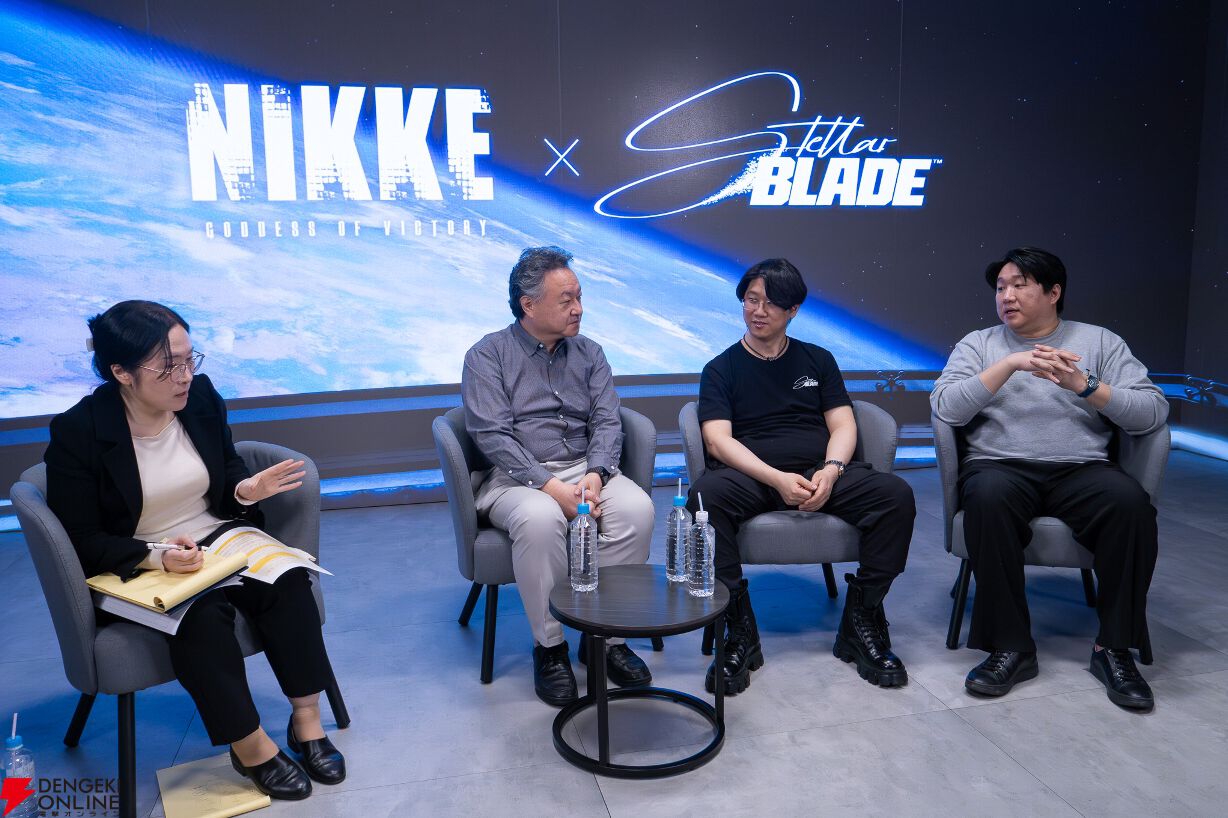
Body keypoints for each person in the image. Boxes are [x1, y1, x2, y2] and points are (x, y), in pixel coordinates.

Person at [44, 301, 345, 800]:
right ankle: (250, 745)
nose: (185, 377)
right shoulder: (79, 432)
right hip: (138, 559)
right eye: (168, 367)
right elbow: (81, 538)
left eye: (189, 360)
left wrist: (245, 491)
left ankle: (307, 721)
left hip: (218, 535)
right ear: (122, 373)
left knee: (289, 580)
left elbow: (225, 474)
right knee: (201, 617)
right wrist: (156, 555)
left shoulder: (200, 397)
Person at [931, 247, 1168, 710]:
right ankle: (1011, 647)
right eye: (1001, 288)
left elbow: (1151, 413)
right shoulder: (978, 345)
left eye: (1019, 285)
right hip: (998, 464)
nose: (1006, 296)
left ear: (1053, 292)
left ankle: (1114, 649)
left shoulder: (1100, 341)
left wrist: (1085, 385)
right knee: (987, 498)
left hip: (1082, 467)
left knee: (1130, 505)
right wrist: (1008, 365)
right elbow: (946, 408)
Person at [688, 258, 916, 696]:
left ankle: (862, 618)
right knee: (705, 498)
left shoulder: (818, 359)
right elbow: (717, 441)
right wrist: (776, 478)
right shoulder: (721, 368)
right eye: (750, 300)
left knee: (895, 495)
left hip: (818, 471)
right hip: (752, 474)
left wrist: (831, 472)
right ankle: (738, 630)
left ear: (793, 310)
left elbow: (844, 424)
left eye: (771, 303)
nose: (758, 311)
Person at [462, 246, 656, 706]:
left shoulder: (590, 352)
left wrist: (597, 472)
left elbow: (607, 419)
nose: (579, 309)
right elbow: (492, 436)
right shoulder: (487, 355)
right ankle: (549, 647)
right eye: (567, 300)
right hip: (516, 476)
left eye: (580, 297)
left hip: (585, 468)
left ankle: (605, 637)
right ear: (528, 305)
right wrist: (549, 487)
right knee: (540, 518)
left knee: (638, 510)